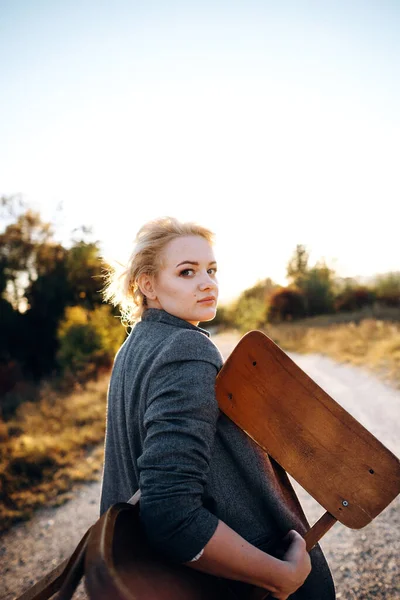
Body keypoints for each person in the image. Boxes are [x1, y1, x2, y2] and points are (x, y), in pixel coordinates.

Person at [99, 216, 336, 600]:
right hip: (232, 581)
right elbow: (169, 511)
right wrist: (278, 576)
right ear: (148, 285)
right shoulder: (187, 348)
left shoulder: (133, 347)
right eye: (187, 272)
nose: (207, 282)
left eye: (211, 270)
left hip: (145, 575)